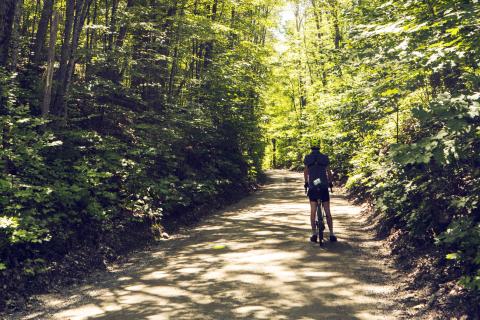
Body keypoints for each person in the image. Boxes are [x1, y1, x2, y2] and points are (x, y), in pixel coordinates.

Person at [303, 141, 337, 243]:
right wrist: (330, 182)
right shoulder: (325, 157)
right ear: (319, 148)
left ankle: (314, 234)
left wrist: (306, 182)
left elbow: (306, 172)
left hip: (313, 186)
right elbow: (329, 172)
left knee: (313, 211)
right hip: (323, 186)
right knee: (327, 211)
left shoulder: (307, 158)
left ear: (311, 148)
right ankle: (331, 234)